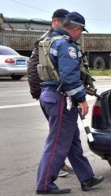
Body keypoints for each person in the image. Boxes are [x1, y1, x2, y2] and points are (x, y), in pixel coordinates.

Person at [36, 11, 104, 195]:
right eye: (81, 31)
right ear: (76, 28)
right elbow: (69, 76)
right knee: (58, 142)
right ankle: (44, 184)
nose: (80, 34)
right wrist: (81, 99)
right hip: (61, 98)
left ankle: (86, 178)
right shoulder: (66, 45)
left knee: (72, 141)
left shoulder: (48, 41)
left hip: (49, 95)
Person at [27, 8, 74, 178]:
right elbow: (33, 68)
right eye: (64, 22)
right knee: (58, 135)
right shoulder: (46, 41)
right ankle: (55, 168)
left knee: (67, 133)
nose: (67, 26)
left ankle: (81, 172)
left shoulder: (59, 39)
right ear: (54, 22)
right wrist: (38, 93)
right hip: (52, 94)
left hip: (56, 95)